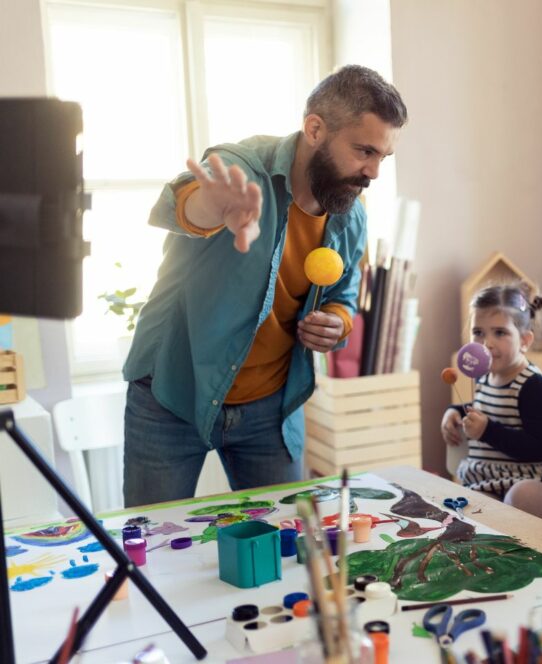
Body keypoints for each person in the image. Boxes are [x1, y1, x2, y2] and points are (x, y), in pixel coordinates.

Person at [122, 65, 407, 507]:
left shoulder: (351, 213)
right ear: (315, 128)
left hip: (270, 410)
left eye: (382, 157)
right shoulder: (242, 169)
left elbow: (342, 297)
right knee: (150, 550)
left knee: (287, 546)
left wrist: (335, 322)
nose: (373, 171)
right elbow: (181, 207)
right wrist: (212, 206)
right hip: (173, 393)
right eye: (363, 151)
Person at [441, 283, 542, 528]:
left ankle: (536, 561)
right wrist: (455, 411)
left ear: (525, 340)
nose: (487, 343)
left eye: (500, 332)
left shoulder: (533, 386)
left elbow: (539, 447)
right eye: (478, 332)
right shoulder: (483, 377)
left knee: (523, 496)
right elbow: (486, 406)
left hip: (529, 479)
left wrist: (487, 431)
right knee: (466, 510)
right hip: (487, 481)